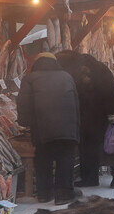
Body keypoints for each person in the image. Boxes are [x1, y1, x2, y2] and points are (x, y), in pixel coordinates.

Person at [56, 51, 114, 187]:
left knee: (105, 144)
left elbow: (109, 92)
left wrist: (111, 115)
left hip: (100, 115)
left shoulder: (87, 70)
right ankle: (110, 177)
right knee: (104, 145)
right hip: (97, 114)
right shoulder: (93, 68)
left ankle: (98, 177)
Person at [17, 52, 80, 204]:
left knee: (43, 158)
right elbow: (76, 103)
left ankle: (44, 193)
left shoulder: (30, 78)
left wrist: (25, 122)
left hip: (42, 127)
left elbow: (23, 102)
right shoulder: (67, 76)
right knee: (65, 158)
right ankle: (64, 193)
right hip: (67, 126)